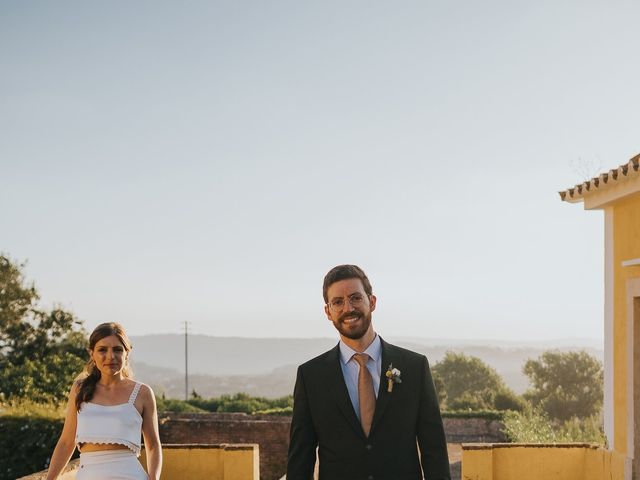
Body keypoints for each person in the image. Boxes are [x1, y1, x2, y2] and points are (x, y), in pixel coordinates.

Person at [287, 265, 451, 480]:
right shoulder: (310, 376)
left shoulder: (414, 367)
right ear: (328, 312)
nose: (348, 308)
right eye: (338, 302)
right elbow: (302, 456)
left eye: (355, 298)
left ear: (371, 302)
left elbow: (434, 449)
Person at [46, 322, 162, 480]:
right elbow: (66, 442)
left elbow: (153, 445)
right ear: (92, 353)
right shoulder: (79, 389)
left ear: (127, 353)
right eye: (102, 350)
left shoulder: (143, 393)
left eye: (117, 349)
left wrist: (154, 478)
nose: (110, 356)